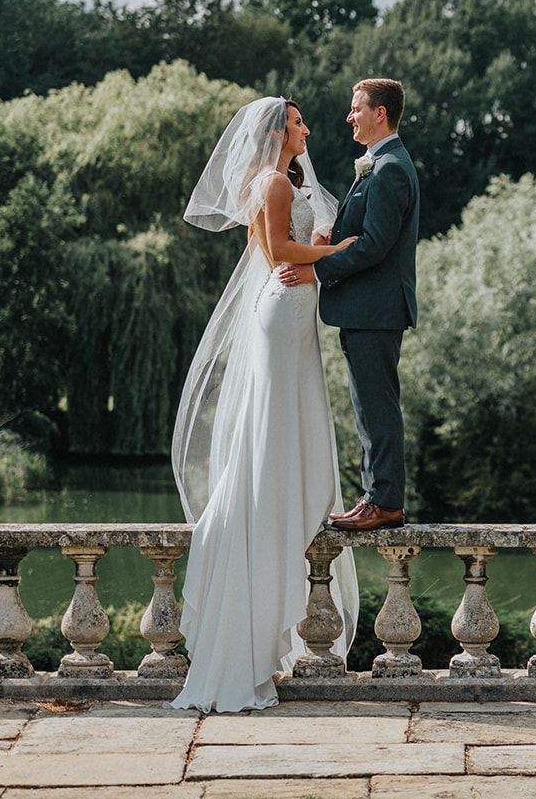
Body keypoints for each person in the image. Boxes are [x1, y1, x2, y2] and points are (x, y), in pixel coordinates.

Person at [169, 96, 359, 713]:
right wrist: (337, 253)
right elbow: (279, 254)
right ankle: (271, 507)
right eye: (301, 121)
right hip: (283, 312)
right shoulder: (274, 182)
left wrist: (325, 240)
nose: (309, 129)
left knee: (287, 418)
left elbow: (299, 238)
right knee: (275, 424)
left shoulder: (289, 180)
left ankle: (284, 496)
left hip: (295, 314)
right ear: (281, 130)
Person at [279, 78, 419, 532]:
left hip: (374, 309)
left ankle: (385, 502)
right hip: (366, 309)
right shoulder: (377, 164)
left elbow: (376, 244)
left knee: (377, 405)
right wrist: (328, 242)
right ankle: (375, 495)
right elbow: (360, 233)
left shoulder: (390, 167)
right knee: (368, 404)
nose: (349, 115)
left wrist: (316, 270)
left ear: (380, 113)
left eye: (356, 108)